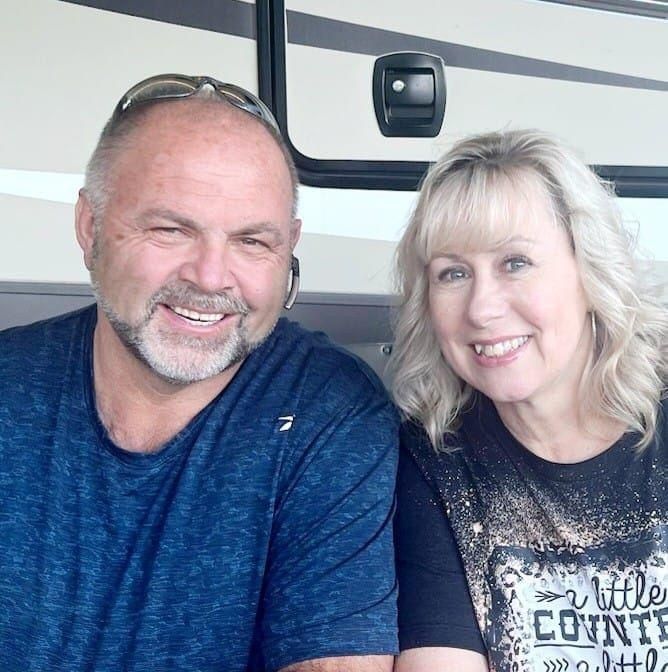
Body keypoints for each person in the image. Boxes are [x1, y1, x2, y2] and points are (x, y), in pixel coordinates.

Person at [0, 74, 399, 672]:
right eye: (171, 229)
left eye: (251, 241)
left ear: (288, 247)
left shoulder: (329, 414)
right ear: (90, 226)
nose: (211, 278)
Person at [389, 129, 667, 672]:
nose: (482, 308)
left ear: (589, 270)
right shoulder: (434, 463)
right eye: (453, 273)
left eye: (515, 262)